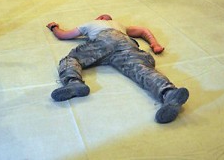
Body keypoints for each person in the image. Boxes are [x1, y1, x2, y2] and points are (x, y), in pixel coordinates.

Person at [46, 14, 189, 124]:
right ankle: (168, 93)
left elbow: (63, 35)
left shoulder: (91, 24)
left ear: (100, 18)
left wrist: (54, 27)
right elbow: (143, 31)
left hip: (104, 41)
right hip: (126, 43)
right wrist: (154, 44)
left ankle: (73, 82)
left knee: (71, 59)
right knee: (141, 69)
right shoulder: (121, 26)